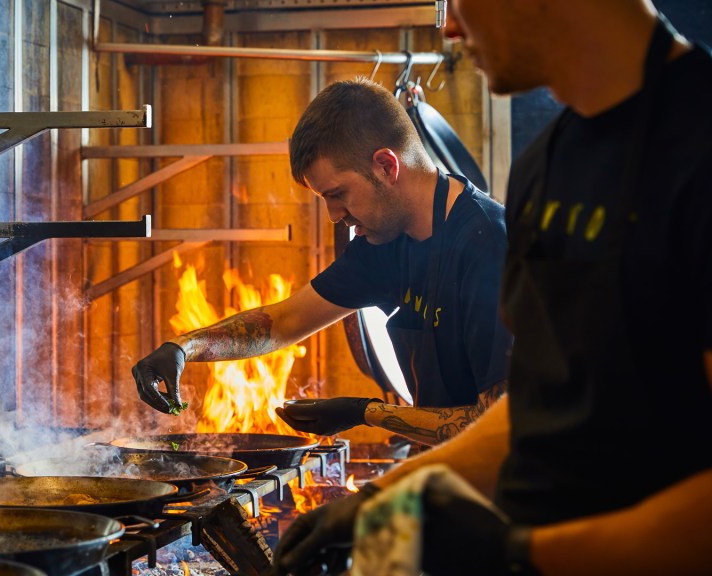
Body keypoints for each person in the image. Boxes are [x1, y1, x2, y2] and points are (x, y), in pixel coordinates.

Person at [272, 1, 712, 575]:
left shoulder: (699, 147)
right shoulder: (545, 168)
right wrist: (380, 502)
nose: (449, 26)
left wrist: (522, 556)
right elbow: (538, 404)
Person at [132, 78, 511, 446]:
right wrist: (184, 347)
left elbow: (498, 425)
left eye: (338, 194)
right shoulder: (387, 240)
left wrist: (367, 412)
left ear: (386, 166)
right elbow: (285, 321)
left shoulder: (489, 246)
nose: (333, 215)